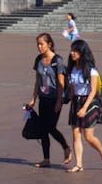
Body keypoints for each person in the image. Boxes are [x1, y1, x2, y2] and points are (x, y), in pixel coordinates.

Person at [25, 33, 71, 168]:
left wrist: (59, 101)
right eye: (38, 44)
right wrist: (33, 98)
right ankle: (46, 159)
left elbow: (61, 83)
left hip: (54, 99)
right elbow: (37, 81)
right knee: (43, 130)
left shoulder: (58, 60)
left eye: (42, 44)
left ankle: (66, 147)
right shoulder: (38, 59)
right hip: (43, 99)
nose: (39, 47)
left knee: (51, 127)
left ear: (49, 44)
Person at [66, 40, 102, 173]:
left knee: (88, 136)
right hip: (76, 102)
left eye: (75, 51)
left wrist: (84, 107)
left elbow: (93, 91)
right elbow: (73, 87)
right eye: (72, 50)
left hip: (89, 103)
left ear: (82, 53)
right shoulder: (73, 68)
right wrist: (70, 98)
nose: (72, 53)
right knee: (75, 135)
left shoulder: (92, 70)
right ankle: (79, 164)